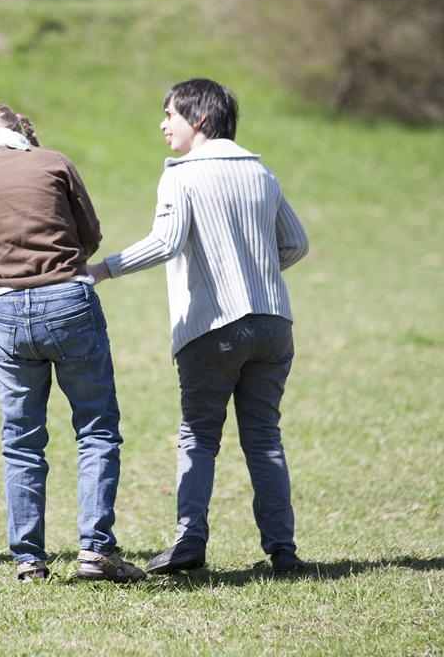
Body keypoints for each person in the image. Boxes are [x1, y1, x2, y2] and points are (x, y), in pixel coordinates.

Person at [0, 104, 146, 584]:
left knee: (21, 440)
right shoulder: (55, 162)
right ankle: (96, 553)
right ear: (22, 133)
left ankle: (28, 561)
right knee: (96, 429)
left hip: (4, 312)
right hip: (70, 304)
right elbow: (92, 236)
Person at [87, 78, 309, 575]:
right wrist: (255, 270)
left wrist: (102, 269)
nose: (164, 124)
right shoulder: (261, 171)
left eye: (170, 114)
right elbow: (296, 243)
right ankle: (283, 551)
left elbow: (166, 242)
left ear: (200, 120)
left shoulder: (181, 175)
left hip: (213, 328)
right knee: (265, 439)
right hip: (274, 323)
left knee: (198, 437)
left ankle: (190, 541)